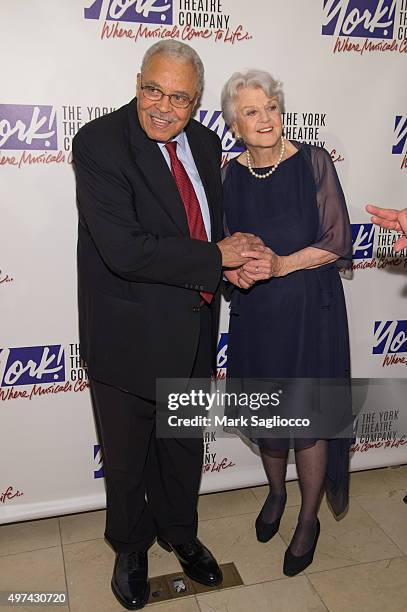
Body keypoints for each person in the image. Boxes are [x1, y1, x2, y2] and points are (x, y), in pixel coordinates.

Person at [72, 41, 260, 610]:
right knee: (127, 461)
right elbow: (126, 250)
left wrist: (236, 270)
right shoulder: (100, 143)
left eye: (178, 97)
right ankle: (130, 548)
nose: (162, 106)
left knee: (181, 450)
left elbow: (211, 225)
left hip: (195, 330)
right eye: (153, 90)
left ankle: (180, 533)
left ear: (196, 100)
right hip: (126, 337)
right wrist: (217, 259)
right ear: (137, 82)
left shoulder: (204, 144)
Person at [221, 70, 353, 576]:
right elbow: (225, 242)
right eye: (251, 111)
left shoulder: (313, 162)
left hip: (309, 310)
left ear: (282, 110)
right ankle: (276, 493)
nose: (265, 118)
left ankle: (308, 518)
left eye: (271, 106)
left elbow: (337, 240)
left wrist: (280, 265)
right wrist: (237, 269)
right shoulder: (227, 174)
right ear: (235, 123)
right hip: (257, 311)